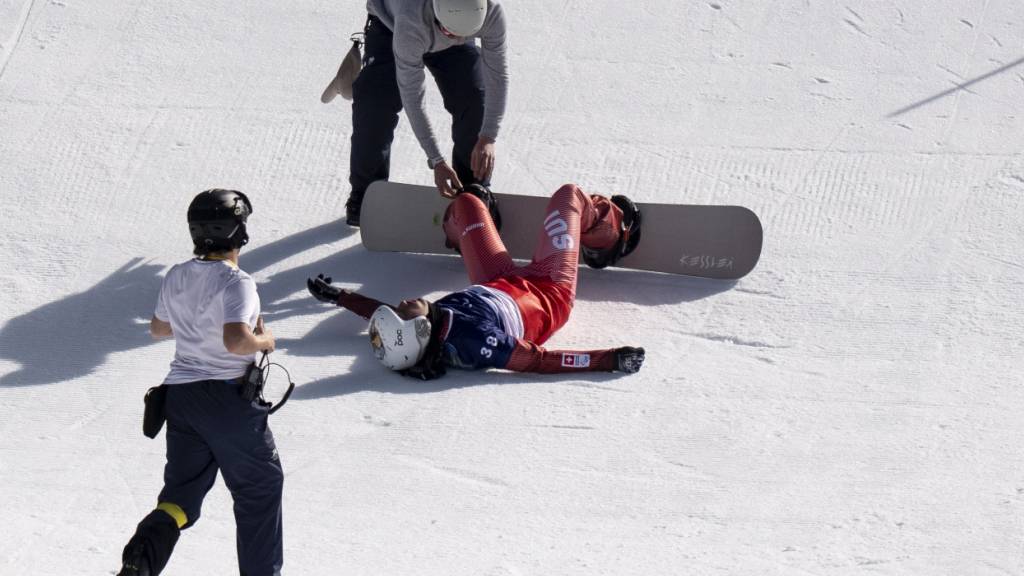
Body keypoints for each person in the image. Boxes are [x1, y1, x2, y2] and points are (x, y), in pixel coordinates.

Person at [308, 183, 646, 378]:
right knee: (568, 196)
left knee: (466, 202)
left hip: (496, 281)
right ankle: (609, 234)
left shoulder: (423, 326)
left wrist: (340, 297)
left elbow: (383, 317)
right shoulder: (478, 342)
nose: (402, 303)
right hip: (549, 288)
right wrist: (609, 359)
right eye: (403, 311)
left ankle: (470, 224)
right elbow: (539, 361)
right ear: (419, 328)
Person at [118, 190, 283, 576]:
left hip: (181, 398)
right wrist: (265, 340)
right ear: (239, 231)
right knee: (259, 489)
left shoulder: (177, 275)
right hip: (228, 400)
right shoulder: (237, 282)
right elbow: (236, 342)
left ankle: (141, 560)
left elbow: (159, 328)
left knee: (179, 498)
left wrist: (195, 322)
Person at [344, 0, 509, 226]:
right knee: (375, 105)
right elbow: (413, 97)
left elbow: (497, 77)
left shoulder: (490, 12)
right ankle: (367, 194)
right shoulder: (411, 21)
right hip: (392, 26)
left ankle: (472, 190)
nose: (452, 39)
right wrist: (436, 160)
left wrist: (488, 136)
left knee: (474, 97)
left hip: (454, 25)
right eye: (449, 34)